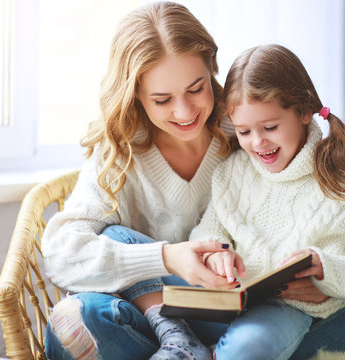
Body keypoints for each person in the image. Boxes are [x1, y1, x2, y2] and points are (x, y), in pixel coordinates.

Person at [188, 44, 345, 360]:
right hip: (232, 302)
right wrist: (216, 256)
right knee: (141, 282)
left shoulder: (343, 182)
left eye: (270, 127)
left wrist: (326, 269)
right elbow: (208, 233)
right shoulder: (232, 173)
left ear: (304, 111)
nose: (257, 142)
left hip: (288, 310)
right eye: (244, 131)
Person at [41, 2, 238, 359]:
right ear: (136, 96)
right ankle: (186, 347)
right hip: (148, 321)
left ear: (211, 68)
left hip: (229, 314)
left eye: (196, 88)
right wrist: (166, 258)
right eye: (162, 100)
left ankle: (197, 350)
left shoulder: (246, 131)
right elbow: (60, 254)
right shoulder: (122, 150)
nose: (184, 111)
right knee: (78, 316)